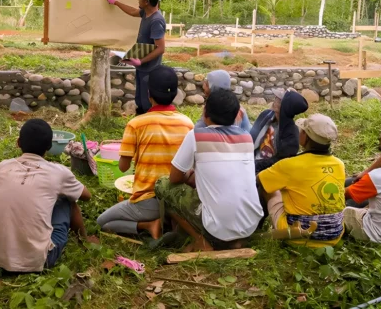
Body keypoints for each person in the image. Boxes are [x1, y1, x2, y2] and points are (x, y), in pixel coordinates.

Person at [0, 119, 91, 272]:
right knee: (68, 198)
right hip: (41, 259)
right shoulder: (59, 172)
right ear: (49, 147)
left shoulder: (3, 167)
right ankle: (85, 241)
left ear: (18, 143)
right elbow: (86, 196)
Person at [155, 89, 263, 252]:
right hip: (250, 225)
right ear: (236, 116)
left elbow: (174, 178)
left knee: (162, 184)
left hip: (217, 229)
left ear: (205, 112)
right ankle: (236, 241)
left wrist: (190, 176)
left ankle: (201, 241)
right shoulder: (246, 138)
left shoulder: (196, 136)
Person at [97, 66, 194, 239]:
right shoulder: (187, 123)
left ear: (149, 94)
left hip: (147, 201)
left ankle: (148, 224)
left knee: (101, 223)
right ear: (175, 94)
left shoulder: (136, 124)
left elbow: (123, 165)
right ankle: (168, 222)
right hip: (178, 201)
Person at [257, 114, 346, 248]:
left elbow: (260, 180)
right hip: (333, 236)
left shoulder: (290, 165)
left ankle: (256, 227)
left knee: (268, 185)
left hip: (298, 235)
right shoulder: (339, 164)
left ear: (305, 136)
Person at [106, 0, 166, 115]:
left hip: (149, 69)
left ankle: (148, 126)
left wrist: (141, 61)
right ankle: (140, 125)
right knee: (140, 100)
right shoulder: (146, 12)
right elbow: (132, 11)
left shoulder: (156, 21)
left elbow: (161, 48)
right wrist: (115, 2)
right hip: (142, 67)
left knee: (147, 103)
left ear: (147, 1)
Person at [249, 89, 308, 174]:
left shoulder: (291, 134)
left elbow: (281, 161)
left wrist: (255, 165)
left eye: (278, 99)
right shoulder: (266, 115)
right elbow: (252, 137)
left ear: (284, 107)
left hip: (270, 174)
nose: (275, 99)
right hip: (251, 164)